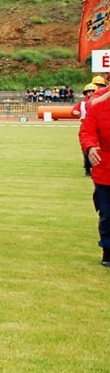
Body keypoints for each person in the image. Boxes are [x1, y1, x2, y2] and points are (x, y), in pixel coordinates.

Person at [77, 84, 110, 266]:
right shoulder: (99, 102)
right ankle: (108, 249)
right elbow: (87, 131)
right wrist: (90, 147)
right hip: (105, 168)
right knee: (107, 213)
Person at [77, 83, 96, 176]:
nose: (91, 93)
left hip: (97, 128)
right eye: (89, 91)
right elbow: (74, 111)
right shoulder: (82, 104)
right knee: (86, 149)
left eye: (93, 91)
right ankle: (88, 168)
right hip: (86, 128)